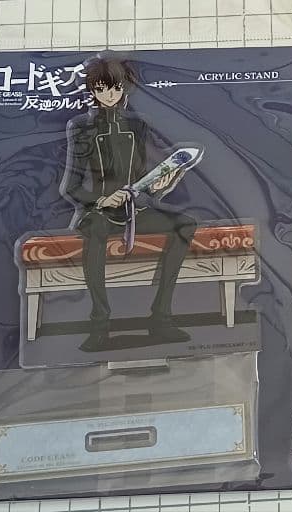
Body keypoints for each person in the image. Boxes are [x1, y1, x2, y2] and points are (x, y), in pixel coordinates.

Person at [60, 54, 196, 351]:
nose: (109, 95)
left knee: (185, 225)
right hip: (98, 213)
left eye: (115, 87)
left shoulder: (138, 125)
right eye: (101, 88)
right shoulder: (82, 127)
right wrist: (102, 199)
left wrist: (160, 185)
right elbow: (70, 188)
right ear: (93, 90)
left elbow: (142, 180)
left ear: (125, 88)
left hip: (134, 211)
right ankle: (99, 326)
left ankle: (161, 319)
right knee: (96, 230)